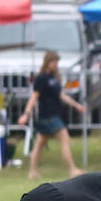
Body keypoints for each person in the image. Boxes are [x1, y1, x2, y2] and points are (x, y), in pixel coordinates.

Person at [16, 51, 85, 180]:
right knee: (65, 139)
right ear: (48, 62)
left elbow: (61, 95)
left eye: (57, 62)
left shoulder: (54, 78)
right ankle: (72, 170)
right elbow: (34, 97)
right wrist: (26, 114)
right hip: (47, 115)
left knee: (40, 143)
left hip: (54, 114)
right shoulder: (41, 78)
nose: (56, 64)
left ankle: (33, 172)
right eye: (54, 62)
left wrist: (76, 105)